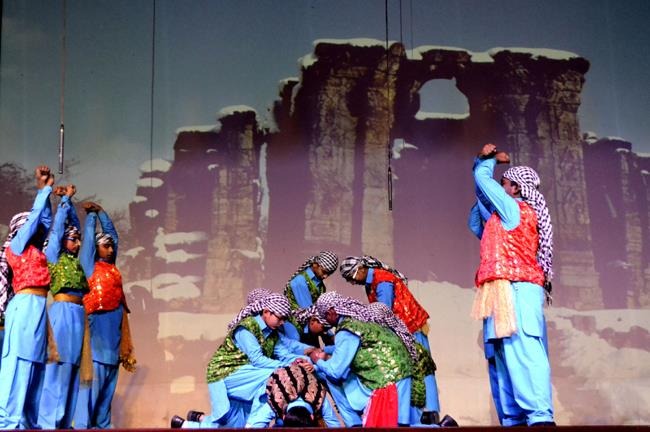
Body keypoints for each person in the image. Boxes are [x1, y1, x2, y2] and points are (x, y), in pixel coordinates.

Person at [469, 143, 555, 426]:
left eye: (504, 183)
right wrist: (481, 163)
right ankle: (514, 418)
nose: (501, 187)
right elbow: (479, 212)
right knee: (502, 355)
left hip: (516, 287)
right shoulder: (503, 214)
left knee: (524, 350)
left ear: (516, 188)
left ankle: (540, 416)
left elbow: (483, 182)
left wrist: (488, 160)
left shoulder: (514, 209)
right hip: (502, 287)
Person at [171, 293, 316, 429]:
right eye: (280, 318)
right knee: (276, 377)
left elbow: (283, 354)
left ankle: (184, 425)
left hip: (249, 376)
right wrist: (290, 366)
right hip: (226, 373)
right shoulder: (246, 328)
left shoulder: (272, 333)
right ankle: (254, 425)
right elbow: (258, 360)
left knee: (234, 424)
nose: (282, 323)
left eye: (284, 319)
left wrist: (303, 362)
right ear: (266, 312)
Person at [339, 255, 442, 424]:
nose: (352, 282)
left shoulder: (382, 281)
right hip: (401, 328)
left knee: (422, 367)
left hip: (410, 327)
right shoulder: (372, 282)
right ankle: (417, 415)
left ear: (361, 269)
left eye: (351, 277)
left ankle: (430, 411)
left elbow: (383, 311)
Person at [0, 166, 55, 429]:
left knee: (36, 364)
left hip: (39, 306)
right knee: (18, 363)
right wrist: (43, 190)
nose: (36, 231)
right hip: (23, 306)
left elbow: (44, 223)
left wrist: (50, 194)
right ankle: (8, 422)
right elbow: (35, 221)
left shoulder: (36, 249)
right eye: (29, 227)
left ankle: (29, 423)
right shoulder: (16, 246)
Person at [310, 291, 414, 427]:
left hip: (385, 379)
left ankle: (354, 424)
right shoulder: (362, 319)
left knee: (386, 425)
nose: (326, 321)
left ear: (331, 312)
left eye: (325, 316)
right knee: (401, 424)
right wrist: (327, 350)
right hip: (402, 370)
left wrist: (317, 360)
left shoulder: (346, 329)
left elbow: (335, 371)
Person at [74, 202, 136, 429]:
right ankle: (83, 425)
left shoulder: (112, 267)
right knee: (92, 386)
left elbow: (114, 236)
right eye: (105, 246)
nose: (110, 250)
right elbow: (89, 242)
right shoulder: (89, 266)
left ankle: (103, 425)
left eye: (111, 247)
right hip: (98, 332)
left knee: (107, 388)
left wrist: (101, 212)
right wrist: (91, 217)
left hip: (114, 335)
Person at [38, 185, 91, 429]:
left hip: (78, 313)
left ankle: (65, 421)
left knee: (73, 366)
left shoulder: (73, 260)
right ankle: (49, 421)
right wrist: (64, 202)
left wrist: (70, 204)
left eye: (78, 240)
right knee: (57, 365)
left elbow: (73, 226)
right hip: (62, 310)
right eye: (73, 240)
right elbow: (59, 229)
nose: (77, 243)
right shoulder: (54, 256)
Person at [246, 362, 341, 427]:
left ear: (312, 417)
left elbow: (334, 425)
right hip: (275, 380)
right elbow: (254, 425)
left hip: (304, 378)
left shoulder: (319, 398)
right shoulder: (276, 401)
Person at [283, 251, 338, 345]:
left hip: (310, 329)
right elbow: (310, 312)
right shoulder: (300, 281)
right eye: (324, 272)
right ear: (315, 265)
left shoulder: (320, 285)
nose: (325, 276)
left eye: (329, 274)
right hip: (295, 331)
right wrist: (329, 335)